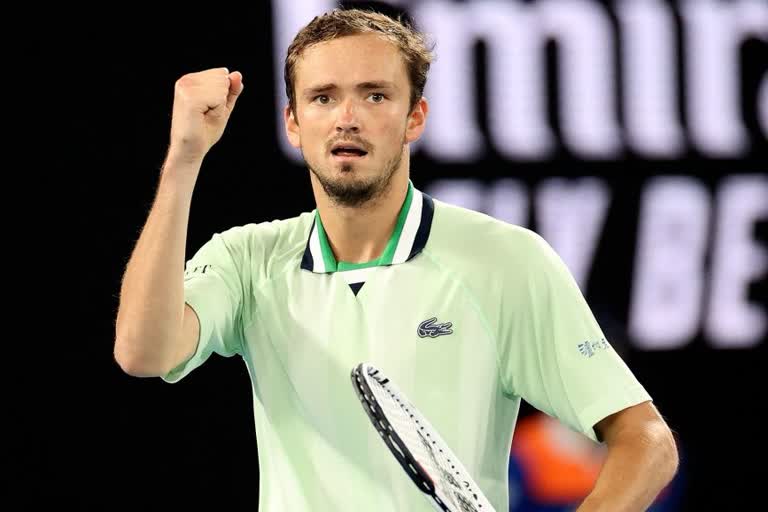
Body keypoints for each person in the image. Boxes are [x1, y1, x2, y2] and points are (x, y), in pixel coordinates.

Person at [113, 7, 679, 511]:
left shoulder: (505, 261)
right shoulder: (247, 259)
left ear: (415, 118)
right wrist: (185, 158)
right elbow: (142, 352)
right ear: (293, 123)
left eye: (375, 95)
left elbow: (647, 443)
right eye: (323, 97)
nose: (347, 117)